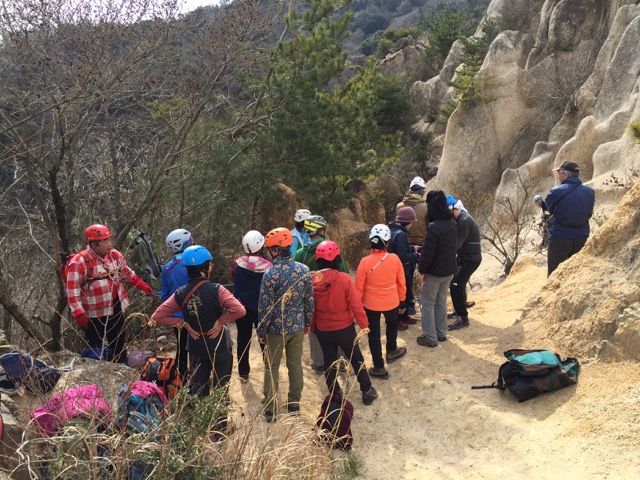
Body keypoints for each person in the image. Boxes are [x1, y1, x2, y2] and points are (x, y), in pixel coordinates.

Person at [151, 245, 246, 397]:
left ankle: (201, 419)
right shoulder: (217, 289)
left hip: (196, 347)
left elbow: (157, 316)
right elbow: (240, 310)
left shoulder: (180, 293)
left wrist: (182, 324)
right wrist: (221, 320)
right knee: (221, 390)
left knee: (199, 390)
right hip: (220, 344)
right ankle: (221, 420)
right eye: (210, 264)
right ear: (205, 268)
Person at [67, 224, 154, 363]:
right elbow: (72, 289)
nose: (109, 244)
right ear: (94, 244)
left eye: (109, 240)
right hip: (93, 313)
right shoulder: (80, 261)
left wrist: (142, 285)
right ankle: (97, 375)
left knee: (119, 341)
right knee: (96, 347)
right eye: (105, 241)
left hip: (115, 307)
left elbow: (126, 273)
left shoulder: (115, 255)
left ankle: (121, 368)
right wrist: (78, 312)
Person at [258, 228, 314, 422]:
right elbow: (309, 300)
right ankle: (294, 404)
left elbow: (265, 307)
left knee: (271, 366)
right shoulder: (304, 270)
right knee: (294, 364)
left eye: (268, 250)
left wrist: (261, 331)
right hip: (297, 328)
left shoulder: (270, 275)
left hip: (275, 331)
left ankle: (271, 408)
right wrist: (307, 322)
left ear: (275, 250)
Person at [311, 240, 378, 405]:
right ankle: (367, 390)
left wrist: (313, 327)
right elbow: (356, 305)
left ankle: (335, 394)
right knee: (356, 358)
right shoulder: (344, 279)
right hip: (344, 328)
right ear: (336, 259)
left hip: (323, 328)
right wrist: (364, 325)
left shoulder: (311, 281)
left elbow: (310, 308)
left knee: (329, 360)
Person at [294, 215, 349, 374]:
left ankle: (318, 362)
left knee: (314, 327)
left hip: (311, 297)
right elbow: (343, 271)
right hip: (332, 295)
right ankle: (342, 362)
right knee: (337, 325)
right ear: (321, 230)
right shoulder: (330, 247)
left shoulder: (300, 253)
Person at [355, 224, 407, 379]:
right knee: (391, 325)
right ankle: (391, 350)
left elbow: (358, 288)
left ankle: (378, 366)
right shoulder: (394, 259)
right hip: (391, 301)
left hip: (370, 304)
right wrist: (402, 300)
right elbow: (401, 283)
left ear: (371, 241)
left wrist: (357, 308)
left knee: (374, 335)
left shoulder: (364, 262)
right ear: (388, 242)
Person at [416, 192, 457, 347]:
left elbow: (427, 254)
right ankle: (441, 333)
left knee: (427, 303)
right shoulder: (452, 222)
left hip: (434, 273)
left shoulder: (434, 227)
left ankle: (430, 337)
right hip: (448, 271)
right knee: (440, 302)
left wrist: (421, 272)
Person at [232, 230, 272, 383]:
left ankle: (243, 373)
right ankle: (269, 369)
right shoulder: (268, 266)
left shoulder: (237, 263)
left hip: (242, 308)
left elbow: (234, 278)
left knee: (243, 340)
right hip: (261, 310)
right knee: (264, 340)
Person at [545, 161, 595, 276]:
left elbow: (547, 210)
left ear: (566, 175)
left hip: (560, 237)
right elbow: (589, 213)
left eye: (559, 173)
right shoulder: (590, 192)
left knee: (555, 274)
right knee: (576, 273)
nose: (558, 176)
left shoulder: (556, 191)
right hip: (582, 237)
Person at [161, 228, 193, 377]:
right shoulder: (193, 264)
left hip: (176, 316)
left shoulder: (167, 268)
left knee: (181, 347)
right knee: (195, 346)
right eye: (190, 241)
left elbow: (165, 295)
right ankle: (197, 376)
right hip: (193, 313)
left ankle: (182, 377)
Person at [395, 176, 428, 315]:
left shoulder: (399, 206)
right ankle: (426, 302)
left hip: (404, 244)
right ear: (422, 191)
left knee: (406, 277)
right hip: (422, 244)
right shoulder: (425, 207)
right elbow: (429, 227)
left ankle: (409, 305)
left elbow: (397, 225)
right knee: (425, 274)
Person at [448, 198, 482, 330]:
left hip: (470, 259)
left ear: (455, 209)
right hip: (467, 258)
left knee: (456, 285)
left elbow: (457, 244)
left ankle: (463, 317)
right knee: (458, 284)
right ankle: (459, 310)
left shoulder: (463, 221)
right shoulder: (463, 218)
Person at [388, 206, 421, 330]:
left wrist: (412, 248)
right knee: (401, 294)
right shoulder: (401, 234)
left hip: (395, 268)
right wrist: (417, 255)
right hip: (401, 268)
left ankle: (404, 316)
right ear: (409, 221)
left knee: (404, 293)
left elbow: (398, 249)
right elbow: (403, 256)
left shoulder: (393, 231)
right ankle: (398, 320)